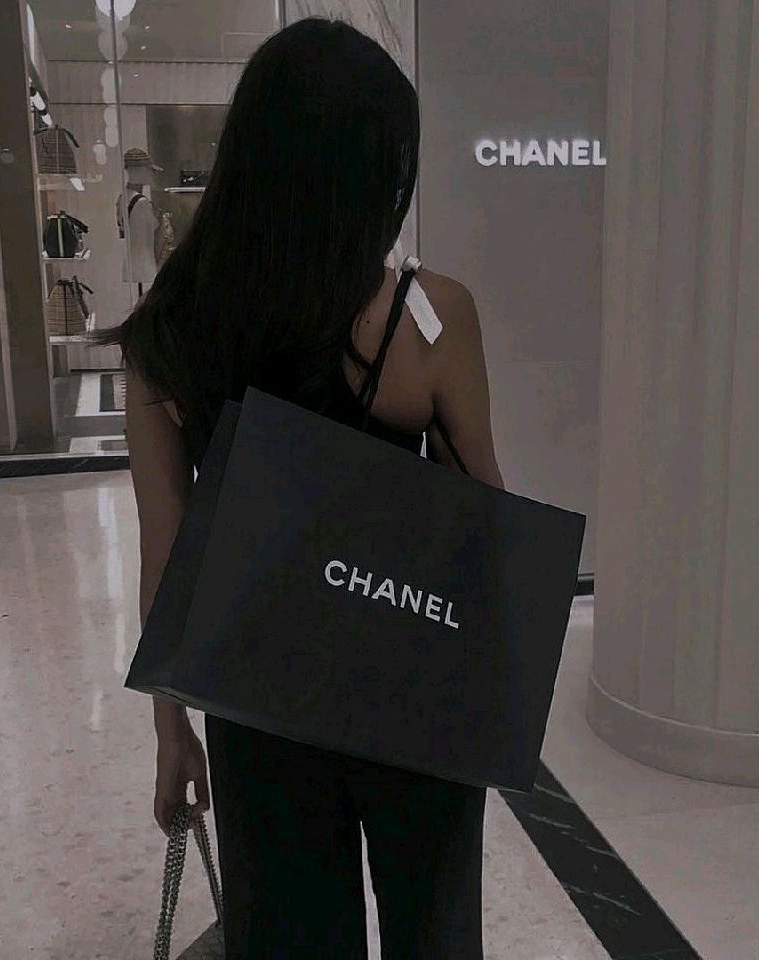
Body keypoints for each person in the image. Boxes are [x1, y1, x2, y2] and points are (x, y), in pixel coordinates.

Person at [97, 16, 504, 959]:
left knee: (288, 938)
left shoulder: (171, 336)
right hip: (416, 696)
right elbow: (482, 518)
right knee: (435, 934)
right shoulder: (429, 317)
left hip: (262, 703)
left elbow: (167, 556)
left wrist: (171, 729)